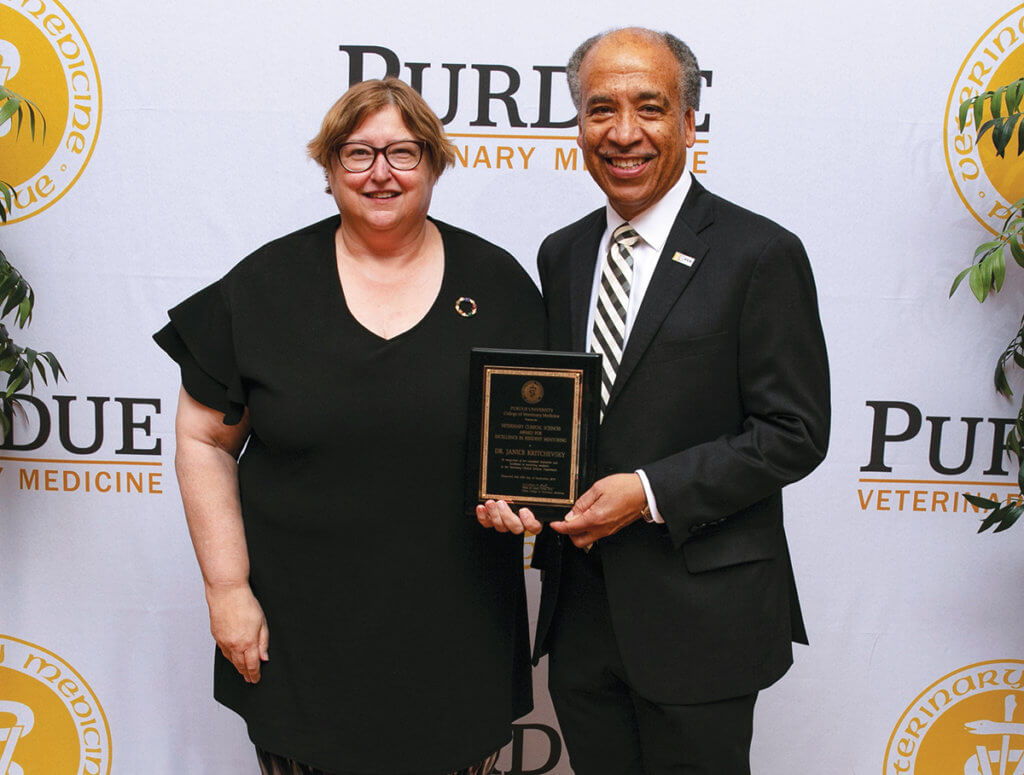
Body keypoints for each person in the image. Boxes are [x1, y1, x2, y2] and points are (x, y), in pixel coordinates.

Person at [155, 77, 544, 775]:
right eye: (358, 153)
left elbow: (542, 442)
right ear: (329, 169)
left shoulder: (500, 285)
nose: (381, 172)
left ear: (434, 163)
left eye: (403, 151)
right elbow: (203, 441)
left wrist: (534, 500)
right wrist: (227, 589)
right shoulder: (263, 286)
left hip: (456, 638)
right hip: (300, 638)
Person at [477, 27, 830, 774]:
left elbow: (794, 431)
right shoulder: (563, 251)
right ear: (579, 124)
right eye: (601, 109)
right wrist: (520, 495)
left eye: (650, 107)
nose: (624, 133)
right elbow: (565, 419)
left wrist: (646, 491)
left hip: (702, 616)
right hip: (582, 616)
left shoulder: (759, 253)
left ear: (689, 122)